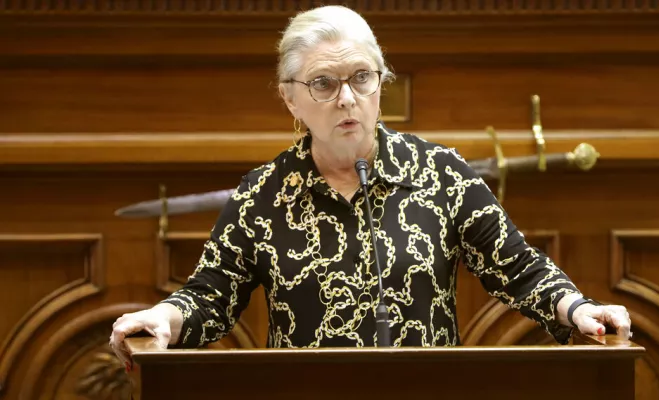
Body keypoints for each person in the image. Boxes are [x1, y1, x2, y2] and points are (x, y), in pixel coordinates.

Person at [109, 5, 632, 369]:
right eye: (323, 83)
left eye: (362, 77)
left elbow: (517, 267)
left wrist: (576, 308)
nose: (346, 98)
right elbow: (210, 295)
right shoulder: (263, 195)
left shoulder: (440, 173)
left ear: (381, 83)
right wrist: (163, 319)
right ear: (290, 99)